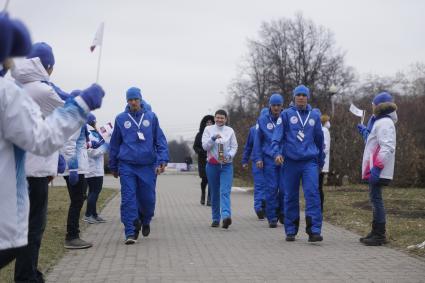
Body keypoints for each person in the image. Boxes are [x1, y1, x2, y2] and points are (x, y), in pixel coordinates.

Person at [0, 13, 105, 269]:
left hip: (26, 169)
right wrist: (82, 104)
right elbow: (43, 135)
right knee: (25, 234)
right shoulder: (20, 90)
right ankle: (28, 275)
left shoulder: (15, 85)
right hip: (28, 172)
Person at [10, 41, 63, 282]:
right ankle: (26, 276)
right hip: (33, 172)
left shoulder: (14, 85)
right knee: (33, 228)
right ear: (47, 66)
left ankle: (29, 270)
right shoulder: (42, 91)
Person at [109, 87, 169, 244]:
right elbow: (115, 143)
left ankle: (146, 219)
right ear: (127, 101)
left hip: (147, 165)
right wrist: (113, 165)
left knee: (147, 199)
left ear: (140, 99)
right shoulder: (121, 119)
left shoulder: (151, 117)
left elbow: (160, 141)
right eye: (130, 99)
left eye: (135, 99)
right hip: (127, 165)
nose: (133, 102)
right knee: (128, 198)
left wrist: (162, 159)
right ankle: (130, 231)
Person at [272, 85, 325, 242]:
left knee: (312, 194)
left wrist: (320, 160)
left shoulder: (314, 116)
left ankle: (314, 230)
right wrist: (277, 153)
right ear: (294, 97)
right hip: (291, 162)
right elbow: (277, 137)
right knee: (290, 196)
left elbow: (319, 140)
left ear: (308, 97)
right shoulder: (286, 115)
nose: (301, 97)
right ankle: (291, 229)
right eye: (298, 95)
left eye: (304, 95)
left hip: (309, 162)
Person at [357, 92, 397, 246]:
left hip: (379, 169)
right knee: (374, 198)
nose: (371, 106)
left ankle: (379, 235)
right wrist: (366, 134)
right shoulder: (380, 122)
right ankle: (375, 231)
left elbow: (387, 147)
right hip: (376, 168)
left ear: (378, 106)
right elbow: (374, 143)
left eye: (373, 104)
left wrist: (377, 168)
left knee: (376, 200)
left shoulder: (385, 122)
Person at [202, 110, 238, 229]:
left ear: (226, 119)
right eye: (217, 118)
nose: (219, 120)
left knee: (225, 191)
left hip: (226, 166)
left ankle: (226, 217)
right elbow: (204, 146)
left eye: (222, 118)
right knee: (215, 192)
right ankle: (215, 218)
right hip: (212, 165)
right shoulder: (208, 130)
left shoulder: (230, 131)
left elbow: (234, 146)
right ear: (214, 118)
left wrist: (230, 155)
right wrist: (212, 139)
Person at [253, 93, 285, 227]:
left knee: (284, 188)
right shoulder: (262, 120)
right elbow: (257, 141)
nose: (276, 108)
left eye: (278, 105)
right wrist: (258, 158)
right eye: (274, 105)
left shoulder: (286, 117)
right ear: (270, 105)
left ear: (281, 106)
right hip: (269, 159)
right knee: (271, 189)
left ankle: (282, 212)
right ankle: (272, 217)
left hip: (284, 158)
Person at [84, 113, 109, 224]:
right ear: (93, 122)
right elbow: (91, 151)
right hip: (92, 169)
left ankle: (94, 214)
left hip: (96, 169)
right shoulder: (88, 133)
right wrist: (104, 148)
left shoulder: (94, 132)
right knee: (94, 192)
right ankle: (88, 215)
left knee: (94, 192)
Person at [241, 125, 266, 220]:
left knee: (259, 185)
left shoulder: (253, 129)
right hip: (269, 160)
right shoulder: (274, 126)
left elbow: (248, 146)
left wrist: (245, 160)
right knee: (270, 185)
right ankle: (262, 207)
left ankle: (259, 207)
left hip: (257, 161)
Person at [193, 115, 214, 205]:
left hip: (213, 158)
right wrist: (201, 151)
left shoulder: (215, 133)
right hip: (202, 159)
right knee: (204, 179)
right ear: (204, 124)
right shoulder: (200, 134)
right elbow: (195, 146)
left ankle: (209, 198)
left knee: (211, 179)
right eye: (207, 122)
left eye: (211, 122)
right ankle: (203, 194)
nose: (209, 124)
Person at [319, 114, 331, 212]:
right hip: (319, 162)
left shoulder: (324, 130)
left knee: (318, 187)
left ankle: (320, 208)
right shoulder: (322, 130)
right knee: (317, 187)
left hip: (321, 164)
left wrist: (319, 157)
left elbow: (325, 147)